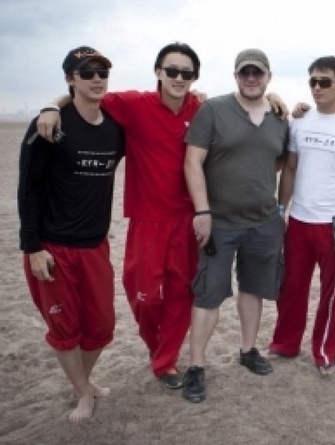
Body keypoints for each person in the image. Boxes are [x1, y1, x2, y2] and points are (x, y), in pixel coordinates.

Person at [35, 43, 288, 390]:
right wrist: (50, 105)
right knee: (144, 297)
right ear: (158, 72)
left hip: (189, 218)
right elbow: (88, 94)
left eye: (186, 73)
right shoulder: (133, 104)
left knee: (181, 296)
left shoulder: (201, 108)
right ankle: (159, 349)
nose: (179, 79)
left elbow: (246, 106)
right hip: (147, 220)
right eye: (172, 71)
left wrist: (275, 98)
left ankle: (166, 362)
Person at [18, 46, 124, 423]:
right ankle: (82, 393)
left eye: (102, 72)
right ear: (70, 78)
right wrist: (33, 249)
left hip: (95, 245)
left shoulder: (115, 126)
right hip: (53, 247)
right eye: (86, 72)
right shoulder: (50, 125)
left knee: (102, 327)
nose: (96, 78)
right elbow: (27, 190)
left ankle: (84, 380)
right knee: (66, 329)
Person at [181, 48, 288, 403]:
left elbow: (277, 162)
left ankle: (248, 350)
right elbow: (192, 162)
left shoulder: (279, 116)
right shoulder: (214, 111)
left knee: (253, 289)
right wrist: (202, 211)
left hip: (264, 222)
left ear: (269, 76)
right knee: (209, 292)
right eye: (246, 73)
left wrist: (275, 205)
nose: (252, 78)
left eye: (258, 73)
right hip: (220, 223)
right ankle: (196, 366)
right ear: (236, 76)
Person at [268, 56, 335, 376]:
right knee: (291, 289)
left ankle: (325, 351)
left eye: (324, 81)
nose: (316, 87)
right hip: (298, 220)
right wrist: (280, 211)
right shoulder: (299, 122)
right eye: (312, 81)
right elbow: (289, 170)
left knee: (331, 295)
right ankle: (285, 344)